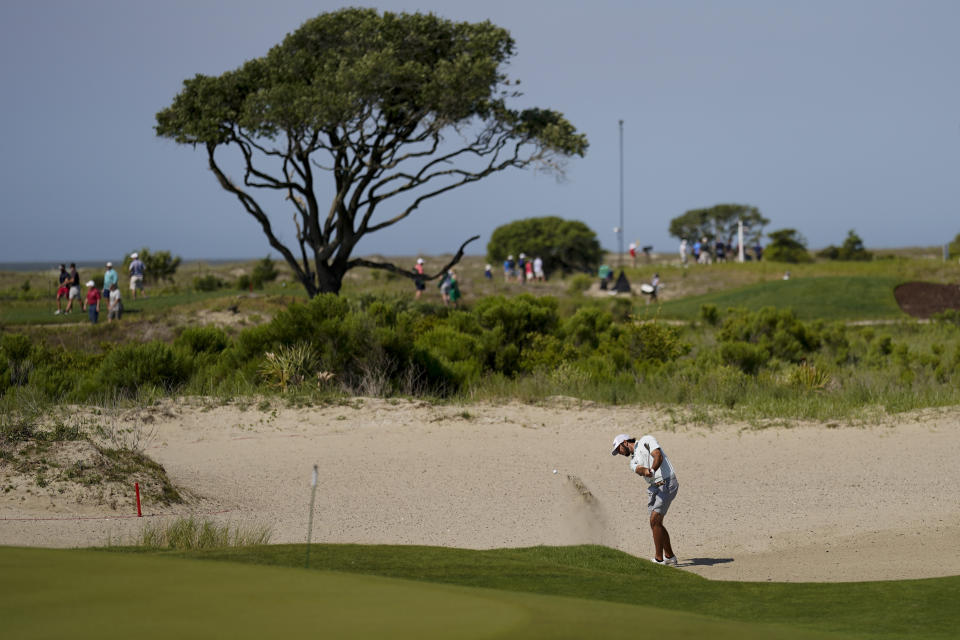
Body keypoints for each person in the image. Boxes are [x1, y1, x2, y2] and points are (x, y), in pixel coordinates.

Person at [611, 433, 679, 566]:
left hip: (667, 483)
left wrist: (653, 469)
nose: (618, 452)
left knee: (655, 520)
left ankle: (659, 559)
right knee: (656, 523)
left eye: (618, 448)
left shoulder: (646, 440)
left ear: (625, 442)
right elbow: (639, 469)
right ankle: (670, 556)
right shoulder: (632, 461)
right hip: (654, 488)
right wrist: (647, 471)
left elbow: (657, 455)